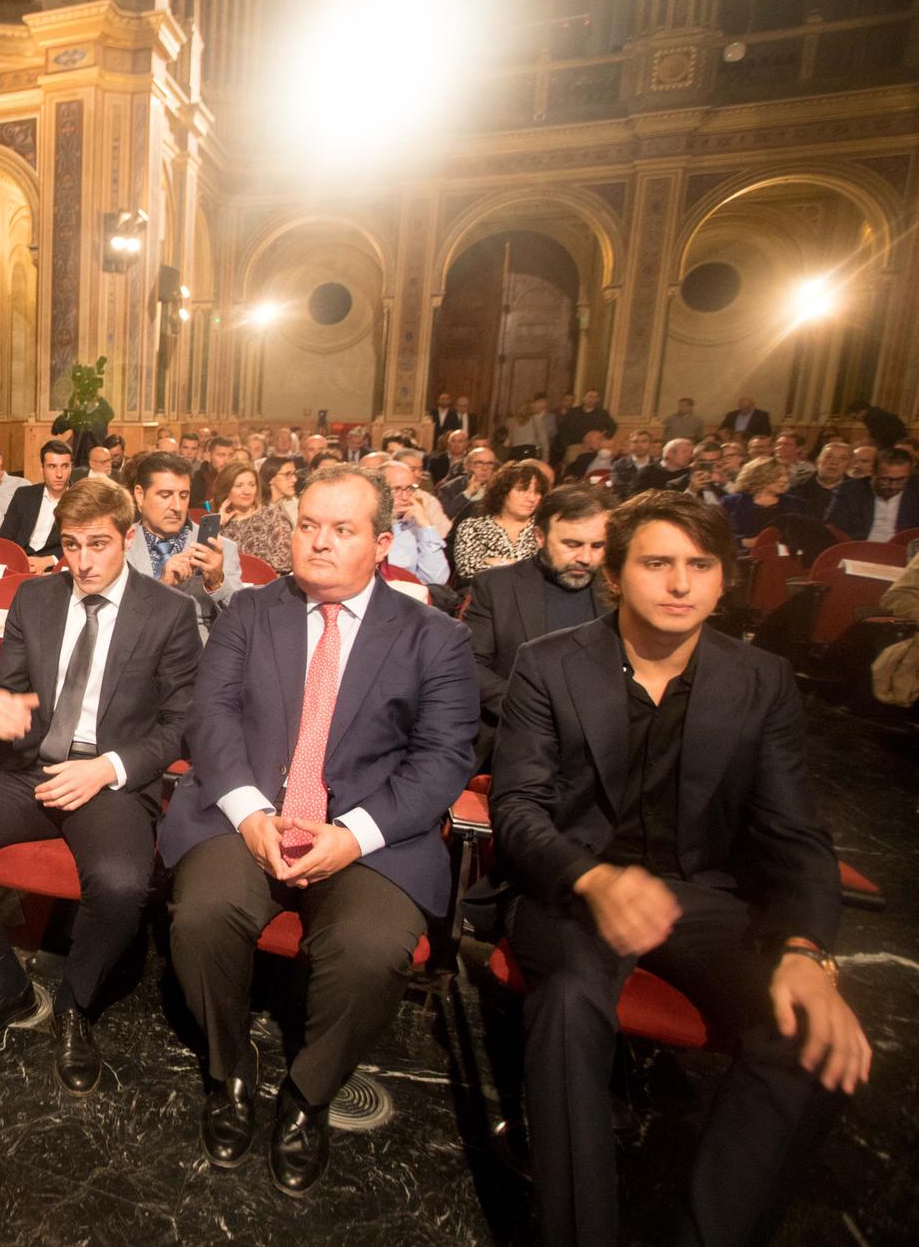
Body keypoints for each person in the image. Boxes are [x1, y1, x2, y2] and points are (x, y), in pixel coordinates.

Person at [490, 491, 869, 1247]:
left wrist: (805, 952)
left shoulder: (761, 679)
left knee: (807, 1032)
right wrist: (593, 879)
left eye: (700, 565)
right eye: (658, 564)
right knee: (568, 1004)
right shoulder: (550, 665)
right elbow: (519, 810)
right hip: (576, 885)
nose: (680, 584)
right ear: (616, 575)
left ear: (724, 579)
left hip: (705, 897)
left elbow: (796, 837)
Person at [160, 466, 478, 1192]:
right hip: (252, 810)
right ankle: (230, 1071)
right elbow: (210, 719)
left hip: (370, 830)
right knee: (203, 913)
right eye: (308, 525)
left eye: (343, 529)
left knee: (370, 949)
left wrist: (353, 834)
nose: (320, 543)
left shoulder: (435, 638)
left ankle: (307, 1094)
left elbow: (442, 760)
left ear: (383, 542)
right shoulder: (248, 612)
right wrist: (246, 812)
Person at [0, 479, 201, 1091]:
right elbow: (2, 684)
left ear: (126, 539)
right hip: (32, 768)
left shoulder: (168, 612)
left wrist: (107, 768)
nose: (84, 561)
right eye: (71, 545)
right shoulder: (37, 600)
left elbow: (181, 727)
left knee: (121, 885)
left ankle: (76, 1003)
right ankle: (3, 982)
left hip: (110, 779)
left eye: (98, 543)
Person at [463, 484, 613, 767]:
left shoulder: (619, 592)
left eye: (597, 546)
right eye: (572, 544)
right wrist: (535, 710)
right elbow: (471, 664)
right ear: (540, 537)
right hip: (517, 739)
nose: (585, 557)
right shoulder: (497, 586)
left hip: (600, 746)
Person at [125, 450, 242, 638]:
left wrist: (216, 581)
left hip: (198, 659)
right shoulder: (119, 546)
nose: (177, 507)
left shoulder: (220, 548)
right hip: (136, 653)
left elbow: (243, 620)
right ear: (139, 495)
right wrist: (162, 586)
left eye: (183, 495)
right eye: (165, 495)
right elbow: (112, 619)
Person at [454, 460, 551, 581]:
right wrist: (520, 568)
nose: (532, 498)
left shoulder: (545, 530)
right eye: (523, 490)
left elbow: (550, 571)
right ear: (503, 492)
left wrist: (497, 563)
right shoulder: (472, 527)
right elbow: (468, 570)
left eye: (537, 492)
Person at [0, 440, 74, 571]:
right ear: (42, 468)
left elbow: (85, 544)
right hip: (20, 565)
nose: (59, 474)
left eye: (64, 466)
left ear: (71, 467)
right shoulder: (24, 494)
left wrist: (50, 560)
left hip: (58, 568)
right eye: (52, 466)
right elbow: (5, 537)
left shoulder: (81, 499)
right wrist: (18, 561)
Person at [382, 459, 451, 585]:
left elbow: (436, 579)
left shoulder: (416, 526)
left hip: (410, 596)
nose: (405, 497)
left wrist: (426, 526)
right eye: (396, 489)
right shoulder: (365, 525)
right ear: (378, 491)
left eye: (409, 488)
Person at [826, 447, 917, 542]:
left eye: (901, 480)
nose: (893, 486)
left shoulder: (915, 493)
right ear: (872, 472)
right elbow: (833, 528)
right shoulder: (849, 491)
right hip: (858, 548)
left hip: (902, 551)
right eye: (885, 480)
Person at [231, 456, 301, 575]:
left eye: (294, 473)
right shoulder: (253, 510)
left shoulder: (294, 505)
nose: (294, 479)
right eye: (287, 474)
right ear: (271, 478)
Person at [719, 457, 803, 542]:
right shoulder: (731, 503)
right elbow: (719, 535)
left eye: (787, 475)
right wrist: (744, 542)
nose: (785, 480)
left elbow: (805, 535)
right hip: (741, 554)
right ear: (759, 476)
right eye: (778, 475)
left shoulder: (795, 504)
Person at [790, 440, 851, 520]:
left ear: (849, 465)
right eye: (828, 457)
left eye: (843, 459)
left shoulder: (858, 493)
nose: (834, 462)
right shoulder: (795, 487)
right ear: (817, 461)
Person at [439, 445, 499, 521]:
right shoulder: (450, 488)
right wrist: (467, 493)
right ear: (467, 466)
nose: (485, 468)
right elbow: (443, 516)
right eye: (479, 463)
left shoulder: (499, 488)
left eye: (490, 464)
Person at [209, 462, 261, 538]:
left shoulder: (271, 516)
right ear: (226, 490)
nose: (247, 492)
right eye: (239, 486)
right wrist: (219, 523)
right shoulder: (214, 522)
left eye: (252, 485)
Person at [610, 429, 655, 499]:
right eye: (635, 442)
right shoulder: (619, 465)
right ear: (630, 444)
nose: (639, 445)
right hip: (626, 504)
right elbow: (618, 488)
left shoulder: (657, 465)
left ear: (650, 444)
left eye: (644, 441)